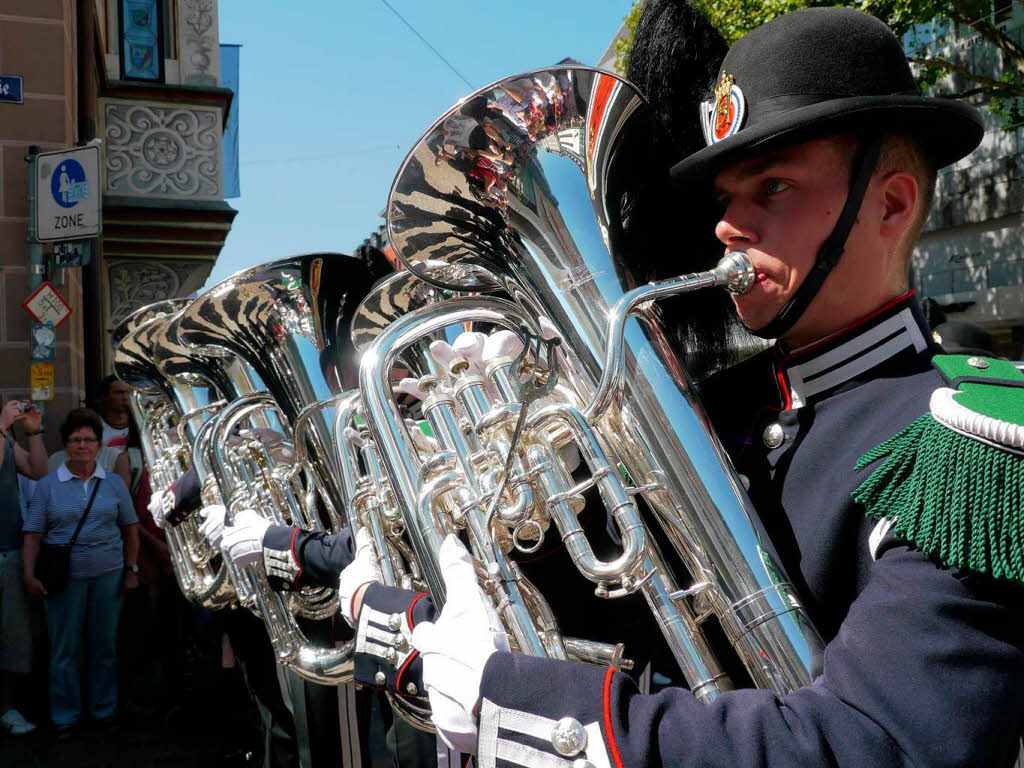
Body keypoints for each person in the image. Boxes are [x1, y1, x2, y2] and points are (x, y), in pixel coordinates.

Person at [334, 7, 1024, 767]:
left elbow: (872, 744)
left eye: (773, 188)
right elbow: (567, 610)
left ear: (890, 204)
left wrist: (517, 706)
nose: (727, 226)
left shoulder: (970, 448)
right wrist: (397, 603)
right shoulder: (716, 409)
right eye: (725, 199)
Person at [22, 408, 139, 739]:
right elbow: (32, 534)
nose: (83, 445)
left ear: (99, 446)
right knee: (65, 649)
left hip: (109, 575)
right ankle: (65, 716)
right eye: (76, 439)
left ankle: (104, 711)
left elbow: (130, 529)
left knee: (104, 648)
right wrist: (29, 575)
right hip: (64, 580)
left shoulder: (114, 483)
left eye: (89, 439)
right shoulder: (48, 486)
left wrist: (131, 569)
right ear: (66, 445)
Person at [0, 399, 47, 736]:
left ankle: (6, 707)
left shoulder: (4, 439)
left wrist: (34, 432)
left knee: (12, 638)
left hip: (9, 549)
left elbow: (38, 471)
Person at [97, 374, 132, 450]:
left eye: (128, 392)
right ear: (104, 396)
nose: (125, 397)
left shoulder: (141, 427)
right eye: (119, 393)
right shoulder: (94, 427)